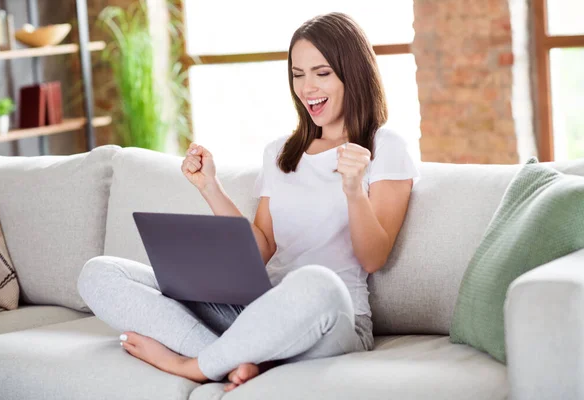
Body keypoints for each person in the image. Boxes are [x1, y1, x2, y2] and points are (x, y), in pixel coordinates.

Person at [77, 12, 420, 392]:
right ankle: (240, 360)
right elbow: (261, 250)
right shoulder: (281, 152)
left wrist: (354, 189)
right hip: (257, 314)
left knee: (315, 282)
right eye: (297, 74)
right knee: (100, 273)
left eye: (322, 73)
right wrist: (210, 187)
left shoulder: (384, 146)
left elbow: (373, 258)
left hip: (332, 319)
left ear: (352, 73)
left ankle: (194, 364)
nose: (307, 88)